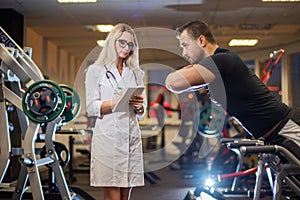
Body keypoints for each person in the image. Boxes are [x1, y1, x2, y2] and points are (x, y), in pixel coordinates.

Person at [165, 20, 300, 160]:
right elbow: (182, 85)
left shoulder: (222, 60)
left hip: (288, 128)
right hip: (273, 136)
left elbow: (172, 82)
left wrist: (190, 70)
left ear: (201, 40)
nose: (184, 53)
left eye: (185, 46)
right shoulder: (215, 70)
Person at [85, 23, 146, 200]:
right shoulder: (95, 71)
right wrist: (117, 102)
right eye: (122, 43)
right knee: (113, 196)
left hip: (130, 137)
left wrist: (139, 107)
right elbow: (91, 107)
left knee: (125, 195)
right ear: (112, 42)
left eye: (130, 45)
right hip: (108, 139)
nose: (126, 48)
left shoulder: (136, 73)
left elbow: (141, 111)